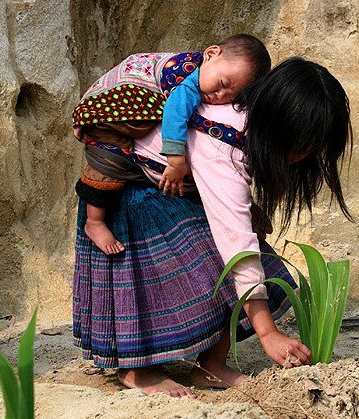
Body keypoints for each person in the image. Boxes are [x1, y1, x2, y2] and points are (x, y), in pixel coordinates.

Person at [73, 56, 353, 398]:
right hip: (131, 193)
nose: (303, 158)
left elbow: (229, 198)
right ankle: (137, 370)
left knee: (253, 264)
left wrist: (250, 208)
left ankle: (210, 366)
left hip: (176, 189)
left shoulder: (245, 116)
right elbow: (235, 242)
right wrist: (269, 334)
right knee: (200, 269)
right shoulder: (222, 145)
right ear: (279, 128)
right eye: (300, 148)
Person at [72, 34, 271, 254]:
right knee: (109, 160)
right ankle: (95, 222)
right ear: (211, 54)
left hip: (131, 114)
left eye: (229, 96)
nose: (218, 95)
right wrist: (176, 161)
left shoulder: (203, 75)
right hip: (107, 115)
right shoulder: (185, 81)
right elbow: (175, 114)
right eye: (222, 84)